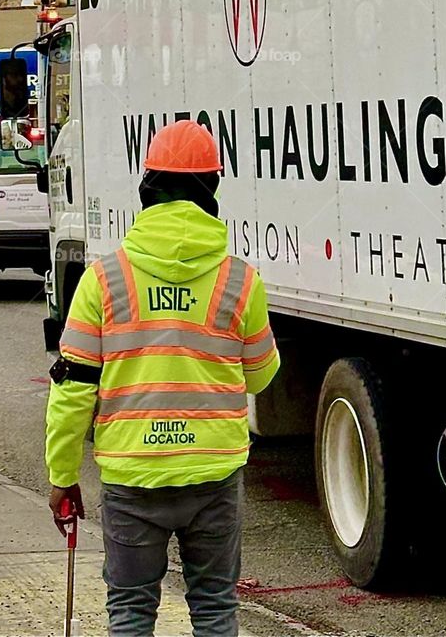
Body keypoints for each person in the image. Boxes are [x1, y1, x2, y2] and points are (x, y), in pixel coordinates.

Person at [44, 119, 280, 637]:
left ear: (147, 185)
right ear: (212, 188)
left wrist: (62, 474)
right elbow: (261, 376)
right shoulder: (241, 280)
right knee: (215, 608)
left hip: (133, 475)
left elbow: (73, 391)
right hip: (213, 472)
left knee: (131, 610)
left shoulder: (103, 279)